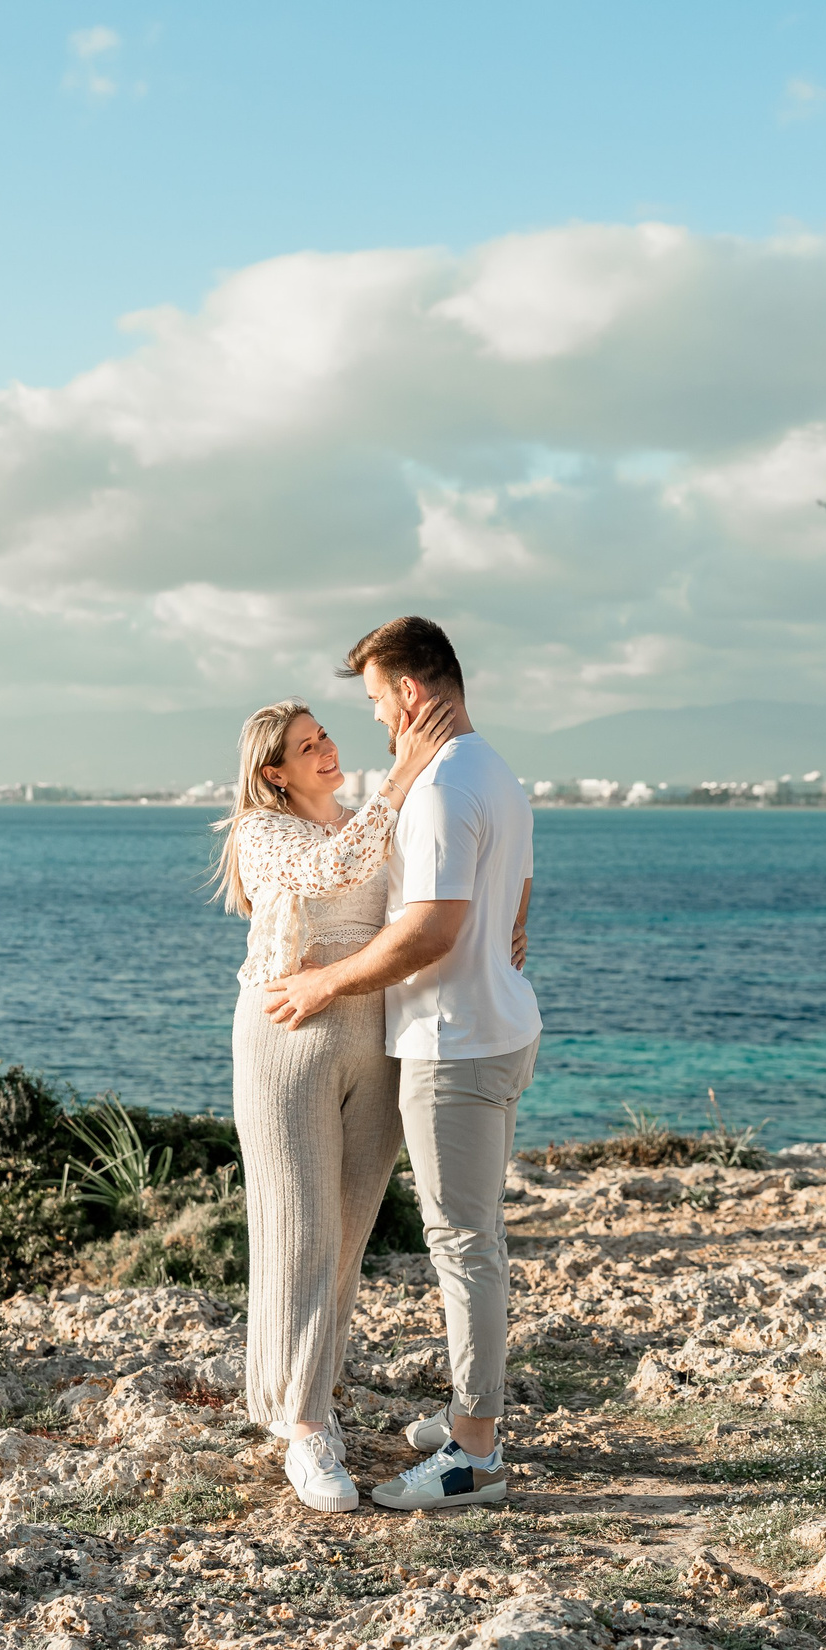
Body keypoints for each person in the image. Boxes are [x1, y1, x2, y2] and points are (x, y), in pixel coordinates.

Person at [261, 616, 539, 1511]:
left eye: (378, 702)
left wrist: (326, 983)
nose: (377, 723)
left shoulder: (436, 789)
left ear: (412, 693)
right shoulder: (494, 769)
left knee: (464, 1245)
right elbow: (516, 888)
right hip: (498, 1026)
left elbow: (430, 927)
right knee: (472, 1238)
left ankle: (474, 1453)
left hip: (450, 1043)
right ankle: (463, 1412)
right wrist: (505, 930)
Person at [214, 692, 454, 1512]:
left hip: (378, 1041)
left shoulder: (368, 813)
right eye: (306, 747)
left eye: (324, 737)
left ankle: (299, 1400)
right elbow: (333, 869)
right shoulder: (262, 832)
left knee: (347, 1232)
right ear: (273, 774)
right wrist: (402, 777)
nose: (326, 750)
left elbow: (428, 893)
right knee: (298, 1231)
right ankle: (306, 1428)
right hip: (287, 1042)